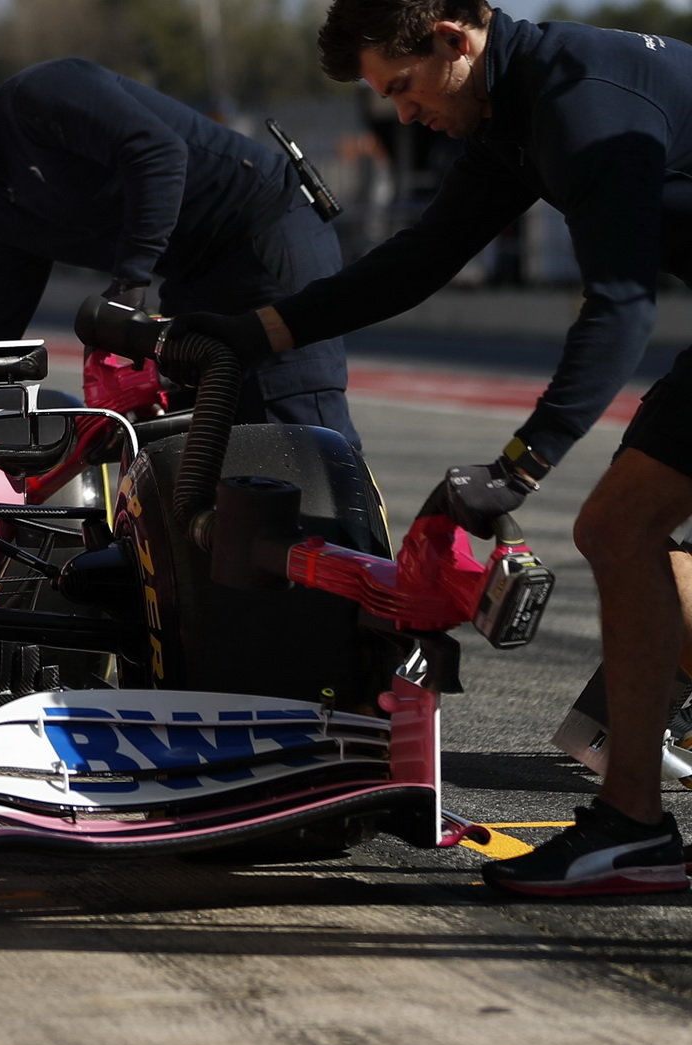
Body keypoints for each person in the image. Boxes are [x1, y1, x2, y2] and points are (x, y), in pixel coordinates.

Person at [166, 0, 692, 897]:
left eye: (403, 87)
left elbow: (621, 306)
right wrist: (260, 330)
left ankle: (634, 824)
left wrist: (520, 466)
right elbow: (421, 259)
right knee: (622, 535)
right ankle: (633, 827)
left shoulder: (577, 97)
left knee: (619, 527)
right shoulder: (514, 108)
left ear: (456, 38)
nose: (402, 113)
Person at [0, 58, 360, 446]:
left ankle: (355, 563)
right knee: (215, 444)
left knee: (300, 430)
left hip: (264, 233)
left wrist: (127, 286)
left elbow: (158, 152)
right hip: (195, 275)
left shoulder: (38, 96)